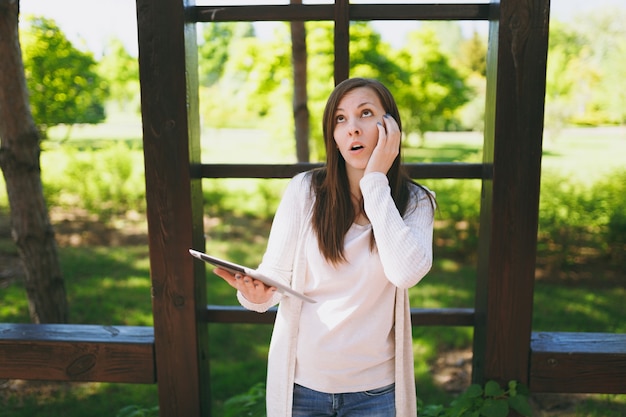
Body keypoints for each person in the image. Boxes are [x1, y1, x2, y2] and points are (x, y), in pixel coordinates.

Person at [215, 77, 436, 417]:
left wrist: (375, 181)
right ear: (332, 134)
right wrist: (257, 297)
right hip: (304, 388)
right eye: (340, 119)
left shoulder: (415, 201)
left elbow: (405, 273)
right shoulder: (305, 190)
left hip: (376, 392)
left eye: (365, 113)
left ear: (390, 126)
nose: (353, 129)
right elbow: (275, 276)